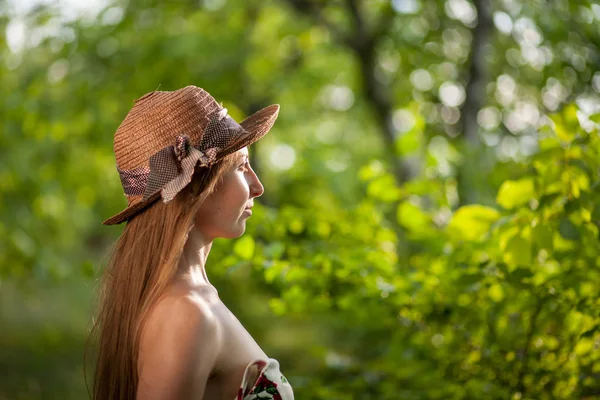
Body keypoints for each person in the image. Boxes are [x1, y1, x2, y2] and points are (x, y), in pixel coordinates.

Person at [90, 86, 294, 400]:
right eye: (241, 167)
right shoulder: (187, 313)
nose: (258, 186)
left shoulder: (188, 301)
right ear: (195, 186)